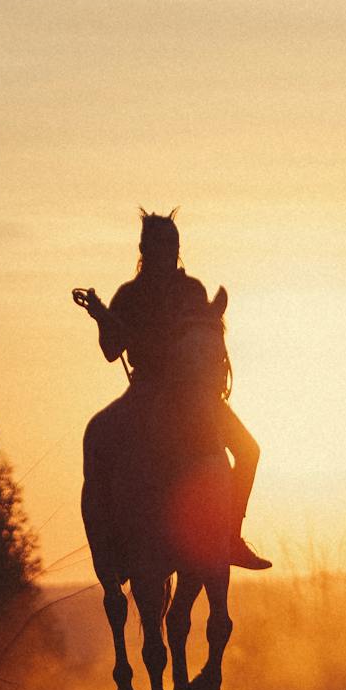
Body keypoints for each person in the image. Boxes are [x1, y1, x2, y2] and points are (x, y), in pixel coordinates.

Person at [75, 208, 271, 570]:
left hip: (194, 391)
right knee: (99, 438)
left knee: (249, 450)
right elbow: (110, 351)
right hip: (145, 388)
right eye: (159, 245)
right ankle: (111, 537)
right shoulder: (129, 295)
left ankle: (230, 536)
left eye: (171, 244)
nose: (166, 251)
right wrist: (103, 320)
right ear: (145, 249)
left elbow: (206, 334)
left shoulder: (192, 291)